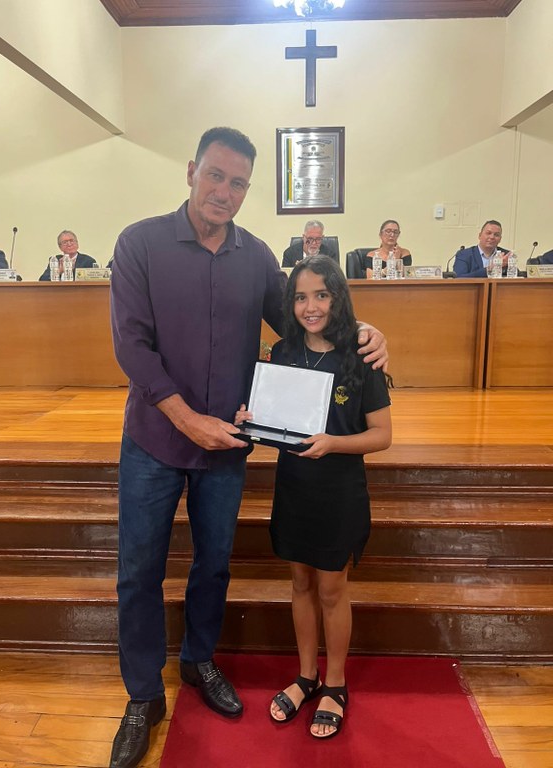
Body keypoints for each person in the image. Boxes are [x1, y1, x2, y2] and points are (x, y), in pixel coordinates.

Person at [108, 127, 388, 768]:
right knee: (139, 571)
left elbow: (304, 321)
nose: (224, 192)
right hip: (154, 440)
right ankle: (143, 695)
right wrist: (188, 420)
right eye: (215, 175)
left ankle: (199, 660)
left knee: (214, 564)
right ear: (191, 170)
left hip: (227, 448)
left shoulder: (257, 257)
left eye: (238, 183)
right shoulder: (140, 244)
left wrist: (365, 331)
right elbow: (131, 346)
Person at [235, 255, 392, 739]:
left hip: (339, 491)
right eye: (301, 297)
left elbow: (382, 435)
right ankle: (306, 676)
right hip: (294, 488)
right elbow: (274, 421)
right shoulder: (281, 352)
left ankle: (336, 684)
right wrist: (250, 421)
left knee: (331, 589)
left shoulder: (361, 354)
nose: (311, 307)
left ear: (338, 297)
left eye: (321, 295)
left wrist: (333, 444)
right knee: (300, 584)